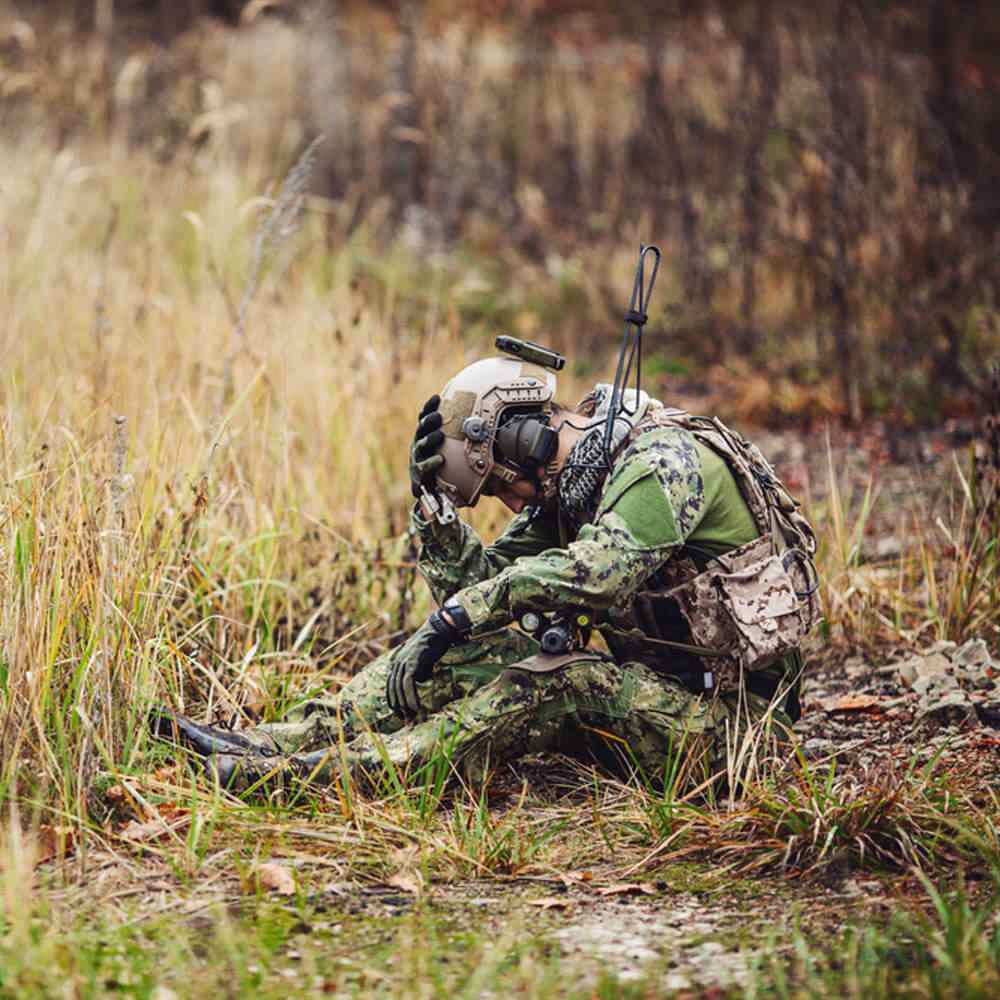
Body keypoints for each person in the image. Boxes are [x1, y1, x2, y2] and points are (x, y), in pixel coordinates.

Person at [153, 347, 819, 793]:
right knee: (463, 647)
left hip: (740, 740)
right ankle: (267, 744)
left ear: (525, 442)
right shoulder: (572, 491)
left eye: (500, 486)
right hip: (662, 702)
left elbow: (598, 574)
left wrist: (462, 612)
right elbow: (479, 599)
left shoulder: (663, 463)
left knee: (565, 679)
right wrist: (437, 514)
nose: (509, 504)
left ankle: (313, 778)